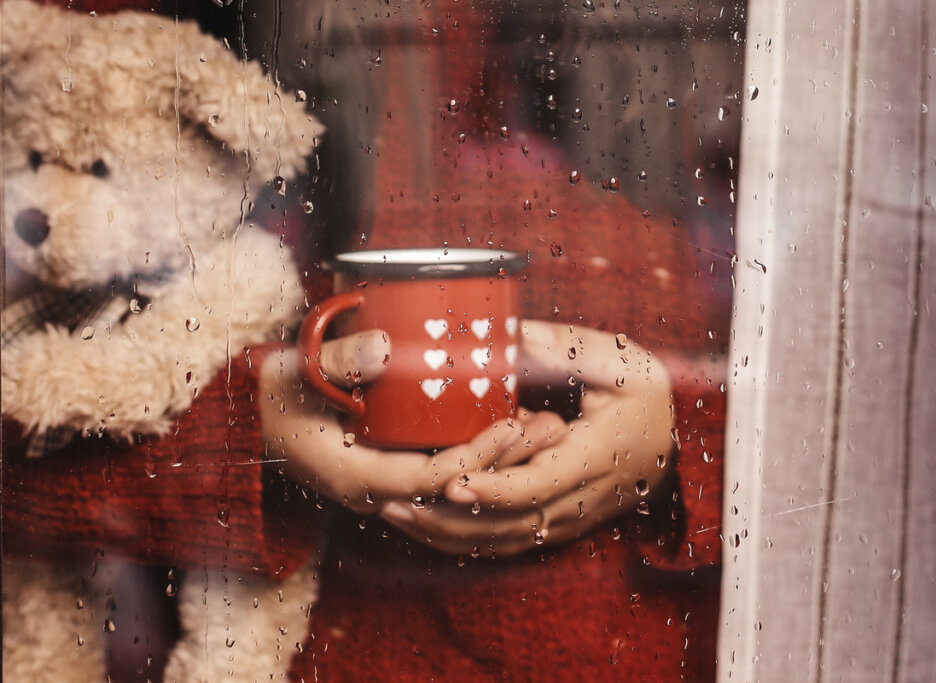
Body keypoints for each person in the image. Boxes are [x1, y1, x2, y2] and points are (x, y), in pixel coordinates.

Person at [2, 0, 728, 678]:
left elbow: (793, 402)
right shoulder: (98, 53)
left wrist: (685, 435)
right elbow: (29, 399)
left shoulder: (695, 156)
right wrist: (243, 431)